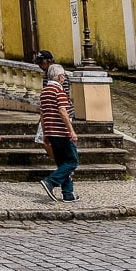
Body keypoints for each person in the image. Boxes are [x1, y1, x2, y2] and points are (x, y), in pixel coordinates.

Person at [39, 63, 79, 203]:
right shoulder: (59, 91)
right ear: (60, 77)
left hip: (50, 131)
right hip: (61, 132)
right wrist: (71, 131)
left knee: (63, 163)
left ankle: (68, 193)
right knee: (72, 162)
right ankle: (50, 181)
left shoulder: (44, 92)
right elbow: (63, 111)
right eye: (63, 76)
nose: (64, 79)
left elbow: (43, 114)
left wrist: (45, 133)